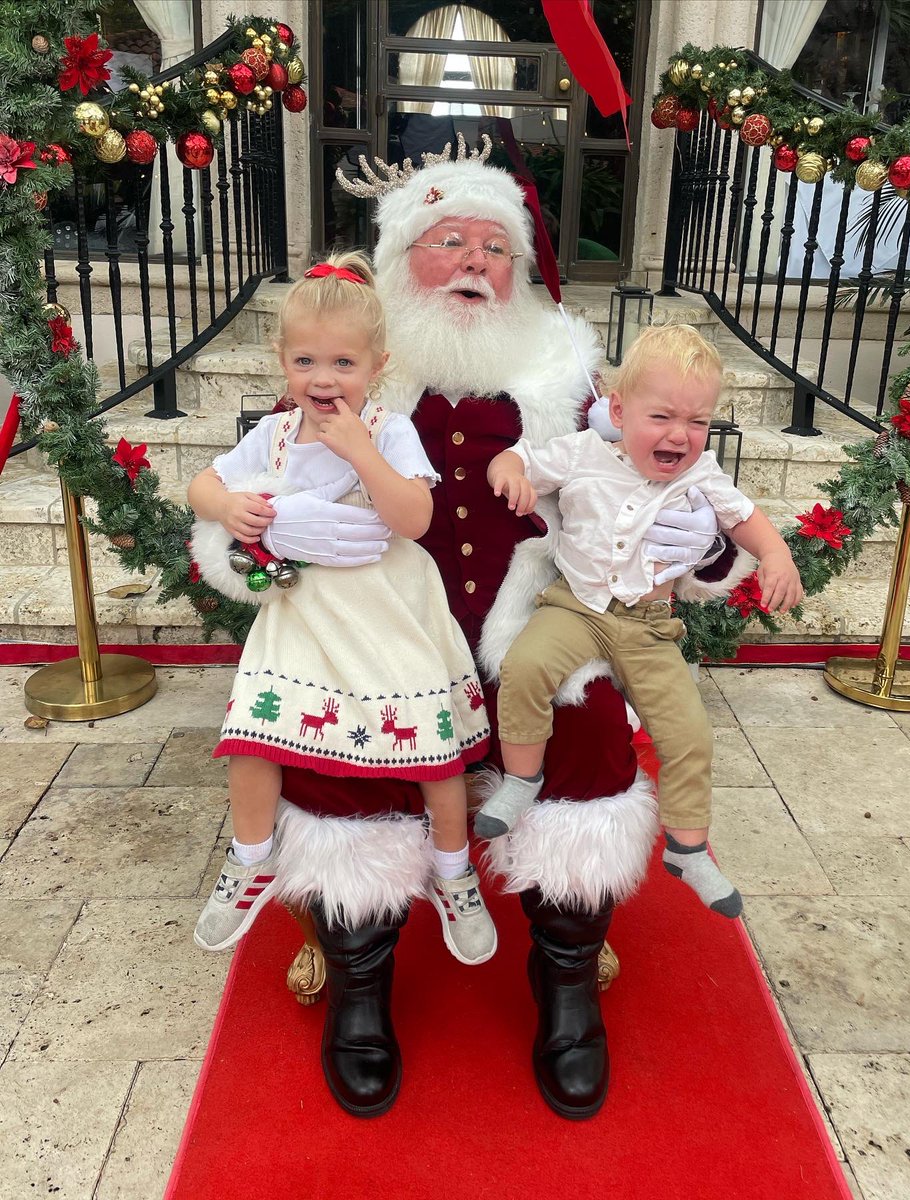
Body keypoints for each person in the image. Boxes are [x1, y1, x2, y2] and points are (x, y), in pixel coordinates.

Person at [191, 139, 755, 1121]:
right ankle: (361, 979)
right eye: (445, 240)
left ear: (522, 270)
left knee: (583, 751)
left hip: (535, 630)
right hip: (375, 642)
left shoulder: (575, 388)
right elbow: (247, 502)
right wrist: (250, 545)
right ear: (400, 260)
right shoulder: (345, 379)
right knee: (332, 764)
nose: (472, 262)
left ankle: (565, 975)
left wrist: (698, 547)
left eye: (494, 246)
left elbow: (673, 499)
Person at [187, 253, 497, 971]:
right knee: (250, 733)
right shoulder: (275, 435)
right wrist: (226, 506)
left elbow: (416, 517)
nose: (323, 380)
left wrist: (363, 455)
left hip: (388, 604)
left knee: (433, 747)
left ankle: (454, 869)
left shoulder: (389, 431)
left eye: (343, 363)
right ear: (282, 360)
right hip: (306, 607)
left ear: (377, 365)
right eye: (305, 360)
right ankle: (251, 857)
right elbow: (205, 483)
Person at [475, 324, 804, 921]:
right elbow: (522, 456)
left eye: (698, 422)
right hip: (575, 610)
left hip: (650, 627)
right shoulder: (583, 453)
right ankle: (522, 780)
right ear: (618, 412)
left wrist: (777, 554)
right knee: (524, 667)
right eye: (662, 417)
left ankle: (687, 847)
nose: (681, 435)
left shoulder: (700, 476)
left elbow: (745, 519)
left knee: (689, 737)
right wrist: (510, 470)